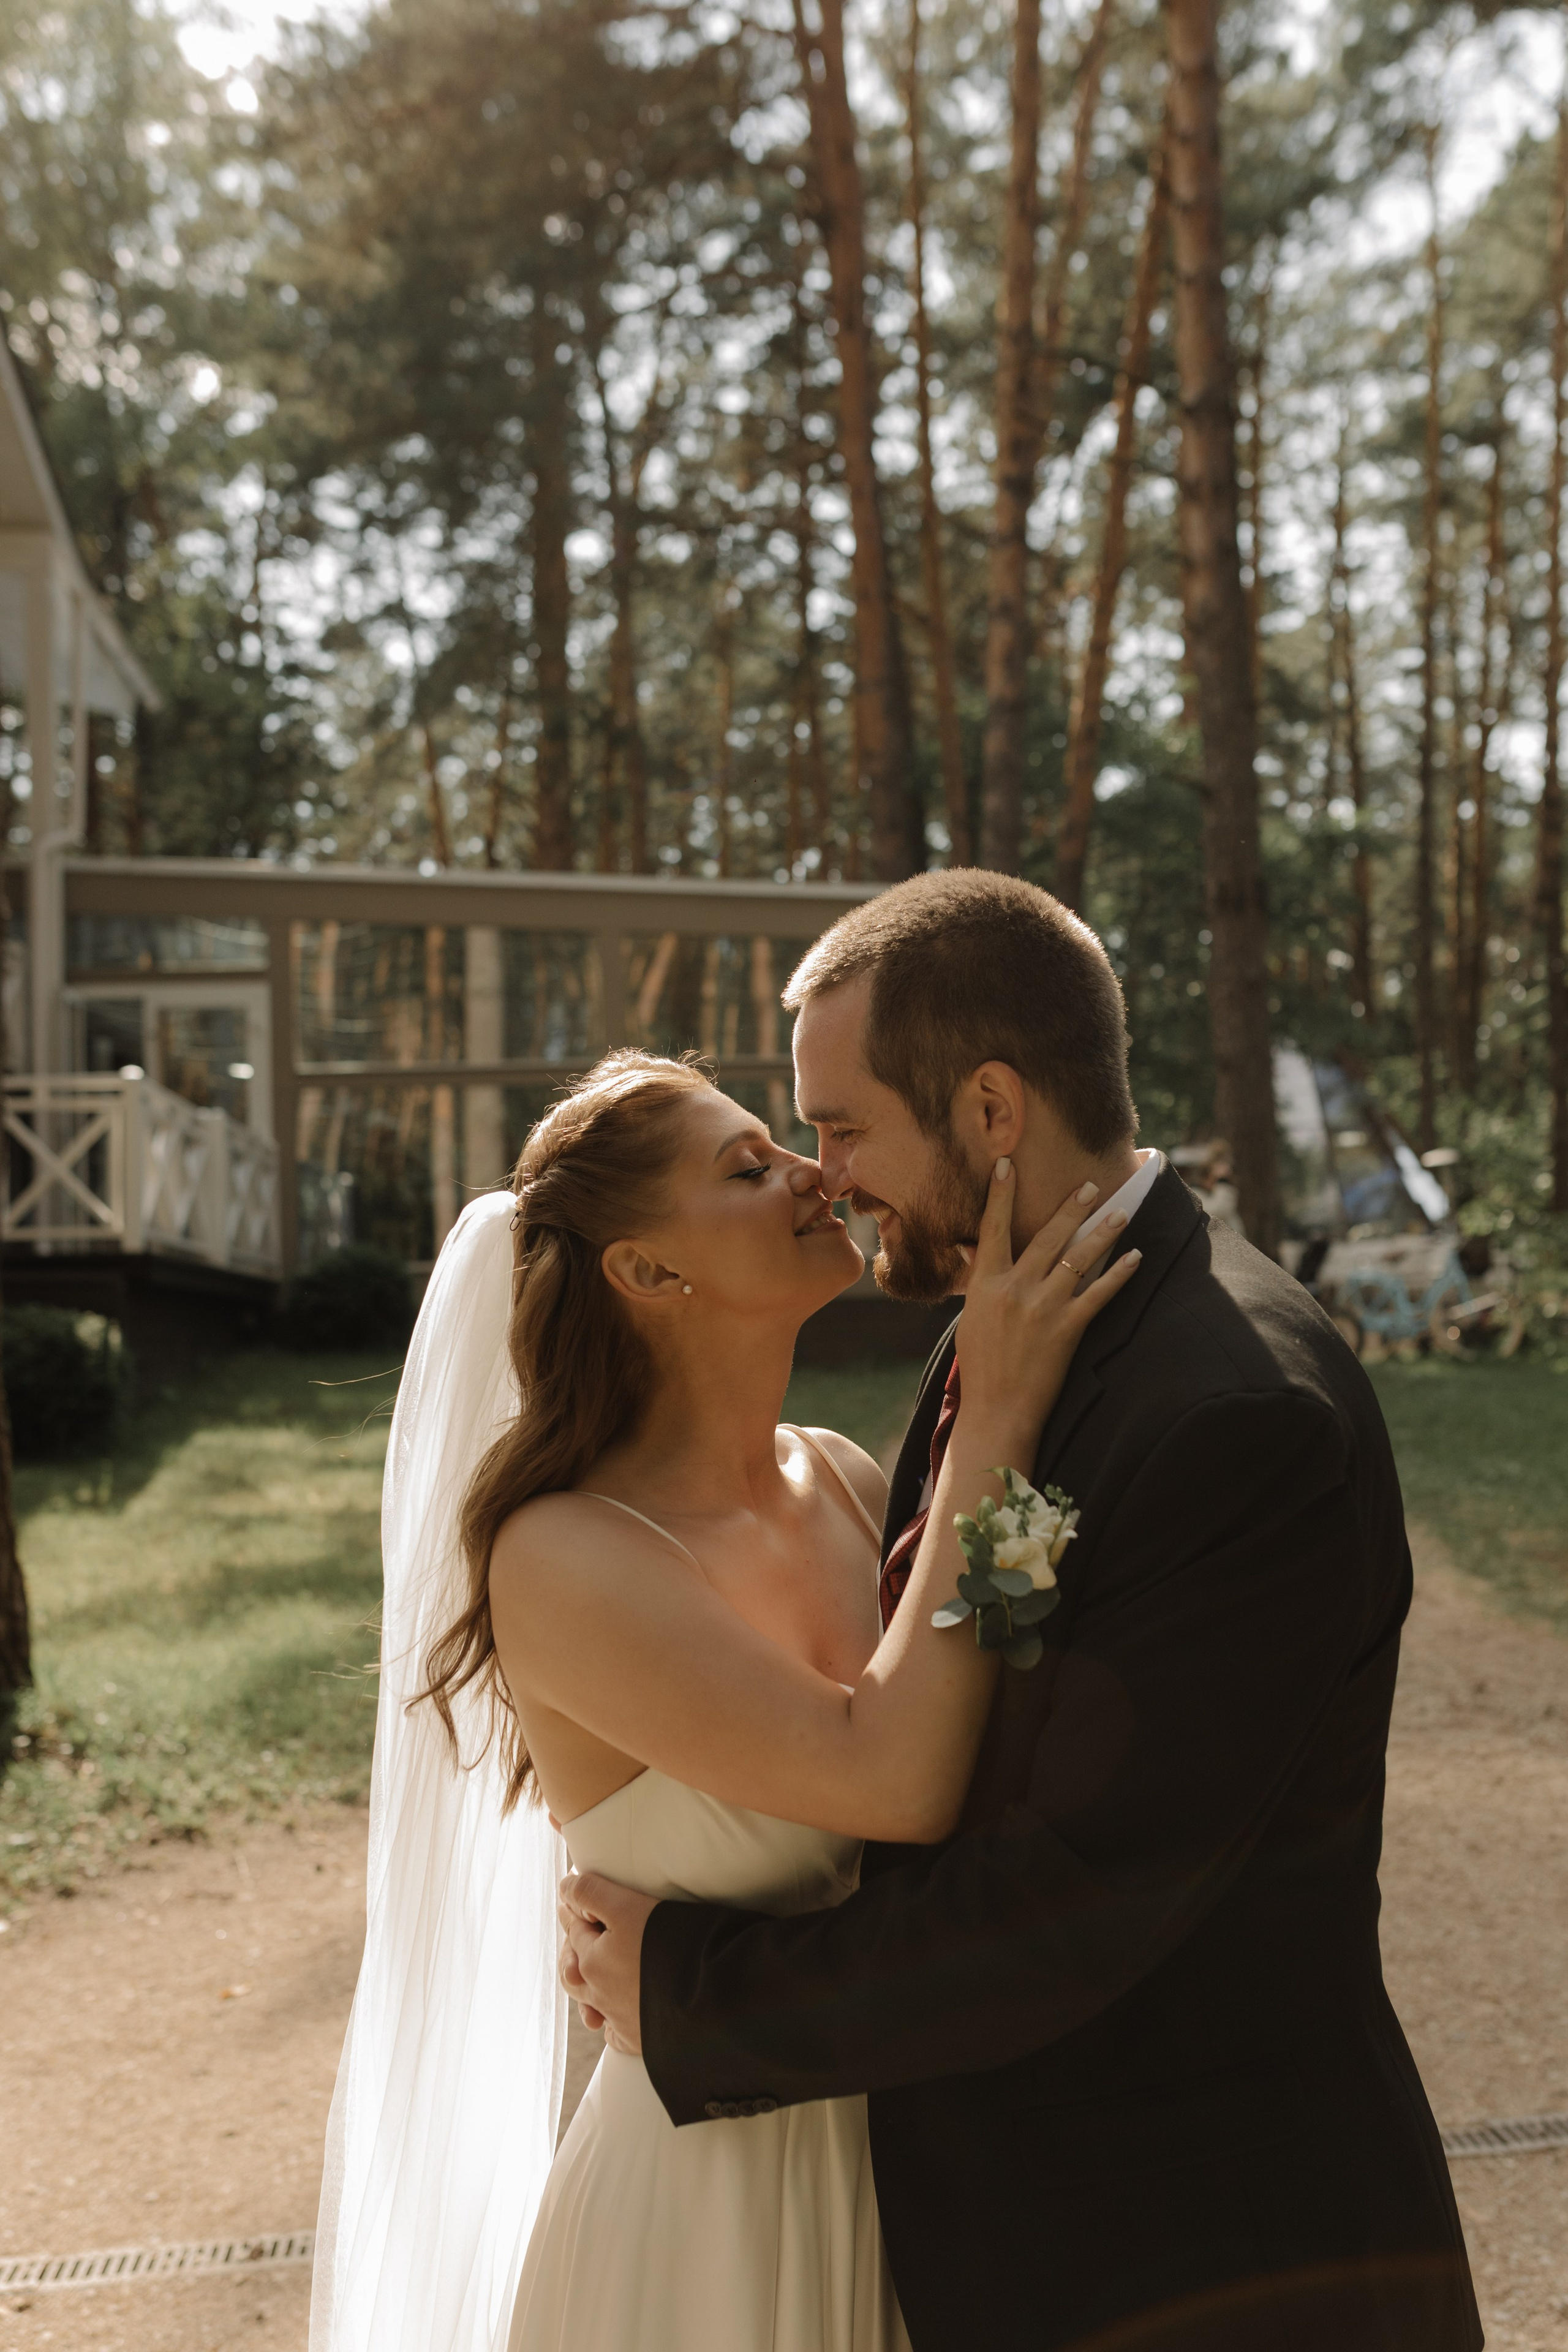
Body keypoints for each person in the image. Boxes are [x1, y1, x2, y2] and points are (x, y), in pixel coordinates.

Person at [562, 870, 1482, 2352]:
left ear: (991, 1108)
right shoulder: (1011, 1331)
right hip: (1037, 2251)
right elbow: (993, 1646)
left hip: (1212, 2263)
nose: (823, 1176)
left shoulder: (1233, 1412)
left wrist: (690, 1995)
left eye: (842, 1126)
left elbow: (1068, 1905)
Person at [310, 1026, 1139, 2352]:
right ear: (646, 1270)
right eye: (748, 1168)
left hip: (917, 2178)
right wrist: (996, 1422)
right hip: (706, 2221)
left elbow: (984, 1671)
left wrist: (1026, 1482)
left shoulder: (843, 1478)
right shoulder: (564, 1558)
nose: (816, 1174)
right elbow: (893, 1776)